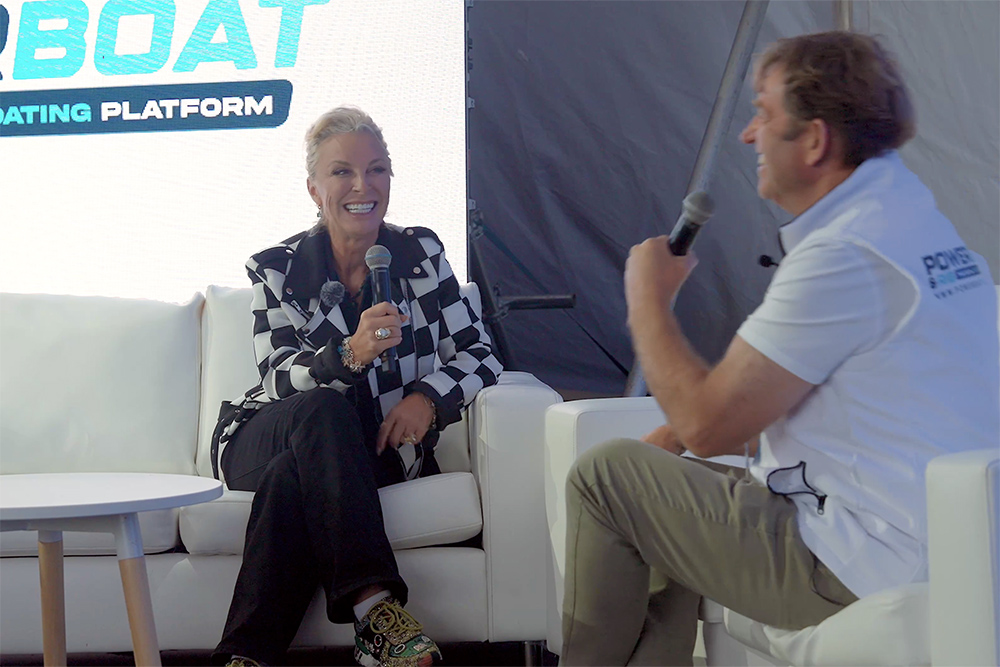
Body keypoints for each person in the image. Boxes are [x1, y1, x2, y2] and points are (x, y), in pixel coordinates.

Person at [559, 31, 999, 665]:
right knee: (658, 485)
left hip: (863, 559)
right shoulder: (912, 219)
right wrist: (677, 439)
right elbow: (841, 398)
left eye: (763, 114)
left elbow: (707, 425)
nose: (748, 135)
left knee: (605, 478)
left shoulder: (843, 257)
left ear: (815, 141)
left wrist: (646, 299)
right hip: (934, 538)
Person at [211, 106, 503, 667]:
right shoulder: (279, 269)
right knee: (320, 408)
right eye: (342, 172)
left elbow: (480, 354)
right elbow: (276, 378)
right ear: (314, 189)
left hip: (370, 449)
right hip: (264, 434)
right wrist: (349, 353)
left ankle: (245, 655)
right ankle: (376, 610)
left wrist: (429, 399)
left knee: (292, 480)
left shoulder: (420, 256)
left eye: (377, 170)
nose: (362, 186)